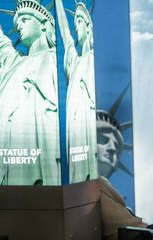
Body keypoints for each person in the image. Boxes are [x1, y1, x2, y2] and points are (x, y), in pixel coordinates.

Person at [0, 0, 61, 185]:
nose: (18, 24)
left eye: (25, 19)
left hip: (47, 148)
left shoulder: (57, 62)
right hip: (13, 153)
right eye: (17, 21)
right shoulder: (12, 63)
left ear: (44, 24)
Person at [55, 0, 97, 182]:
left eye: (79, 22)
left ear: (89, 27)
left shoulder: (96, 60)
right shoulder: (75, 62)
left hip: (92, 123)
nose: (75, 28)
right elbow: (65, 34)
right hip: (75, 128)